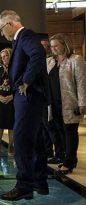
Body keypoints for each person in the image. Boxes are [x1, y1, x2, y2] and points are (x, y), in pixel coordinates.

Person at [0, 10, 50, 201]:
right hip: (29, 97)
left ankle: (24, 186)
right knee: (36, 140)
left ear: (9, 24)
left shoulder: (25, 35)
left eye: (1, 29)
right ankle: (39, 182)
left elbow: (37, 54)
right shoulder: (19, 41)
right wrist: (14, 80)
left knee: (21, 140)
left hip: (28, 96)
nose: (2, 34)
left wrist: (25, 82)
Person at [48, 33, 86, 174]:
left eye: (56, 45)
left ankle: (70, 162)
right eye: (52, 46)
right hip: (54, 104)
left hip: (70, 103)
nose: (53, 49)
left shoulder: (76, 60)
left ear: (64, 45)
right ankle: (65, 158)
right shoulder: (51, 62)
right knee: (60, 132)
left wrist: (83, 103)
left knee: (70, 132)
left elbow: (82, 83)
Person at [42, 37, 66, 164]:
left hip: (61, 100)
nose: (49, 49)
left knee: (58, 129)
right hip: (47, 100)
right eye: (49, 46)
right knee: (49, 128)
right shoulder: (47, 62)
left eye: (49, 46)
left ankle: (62, 154)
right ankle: (53, 153)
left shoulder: (65, 61)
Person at [0, 48, 14, 156]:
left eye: (6, 56)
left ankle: (11, 147)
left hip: (12, 101)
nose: (4, 58)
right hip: (0, 101)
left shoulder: (16, 69)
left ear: (11, 56)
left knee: (11, 125)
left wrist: (12, 96)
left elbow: (20, 86)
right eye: (2, 57)